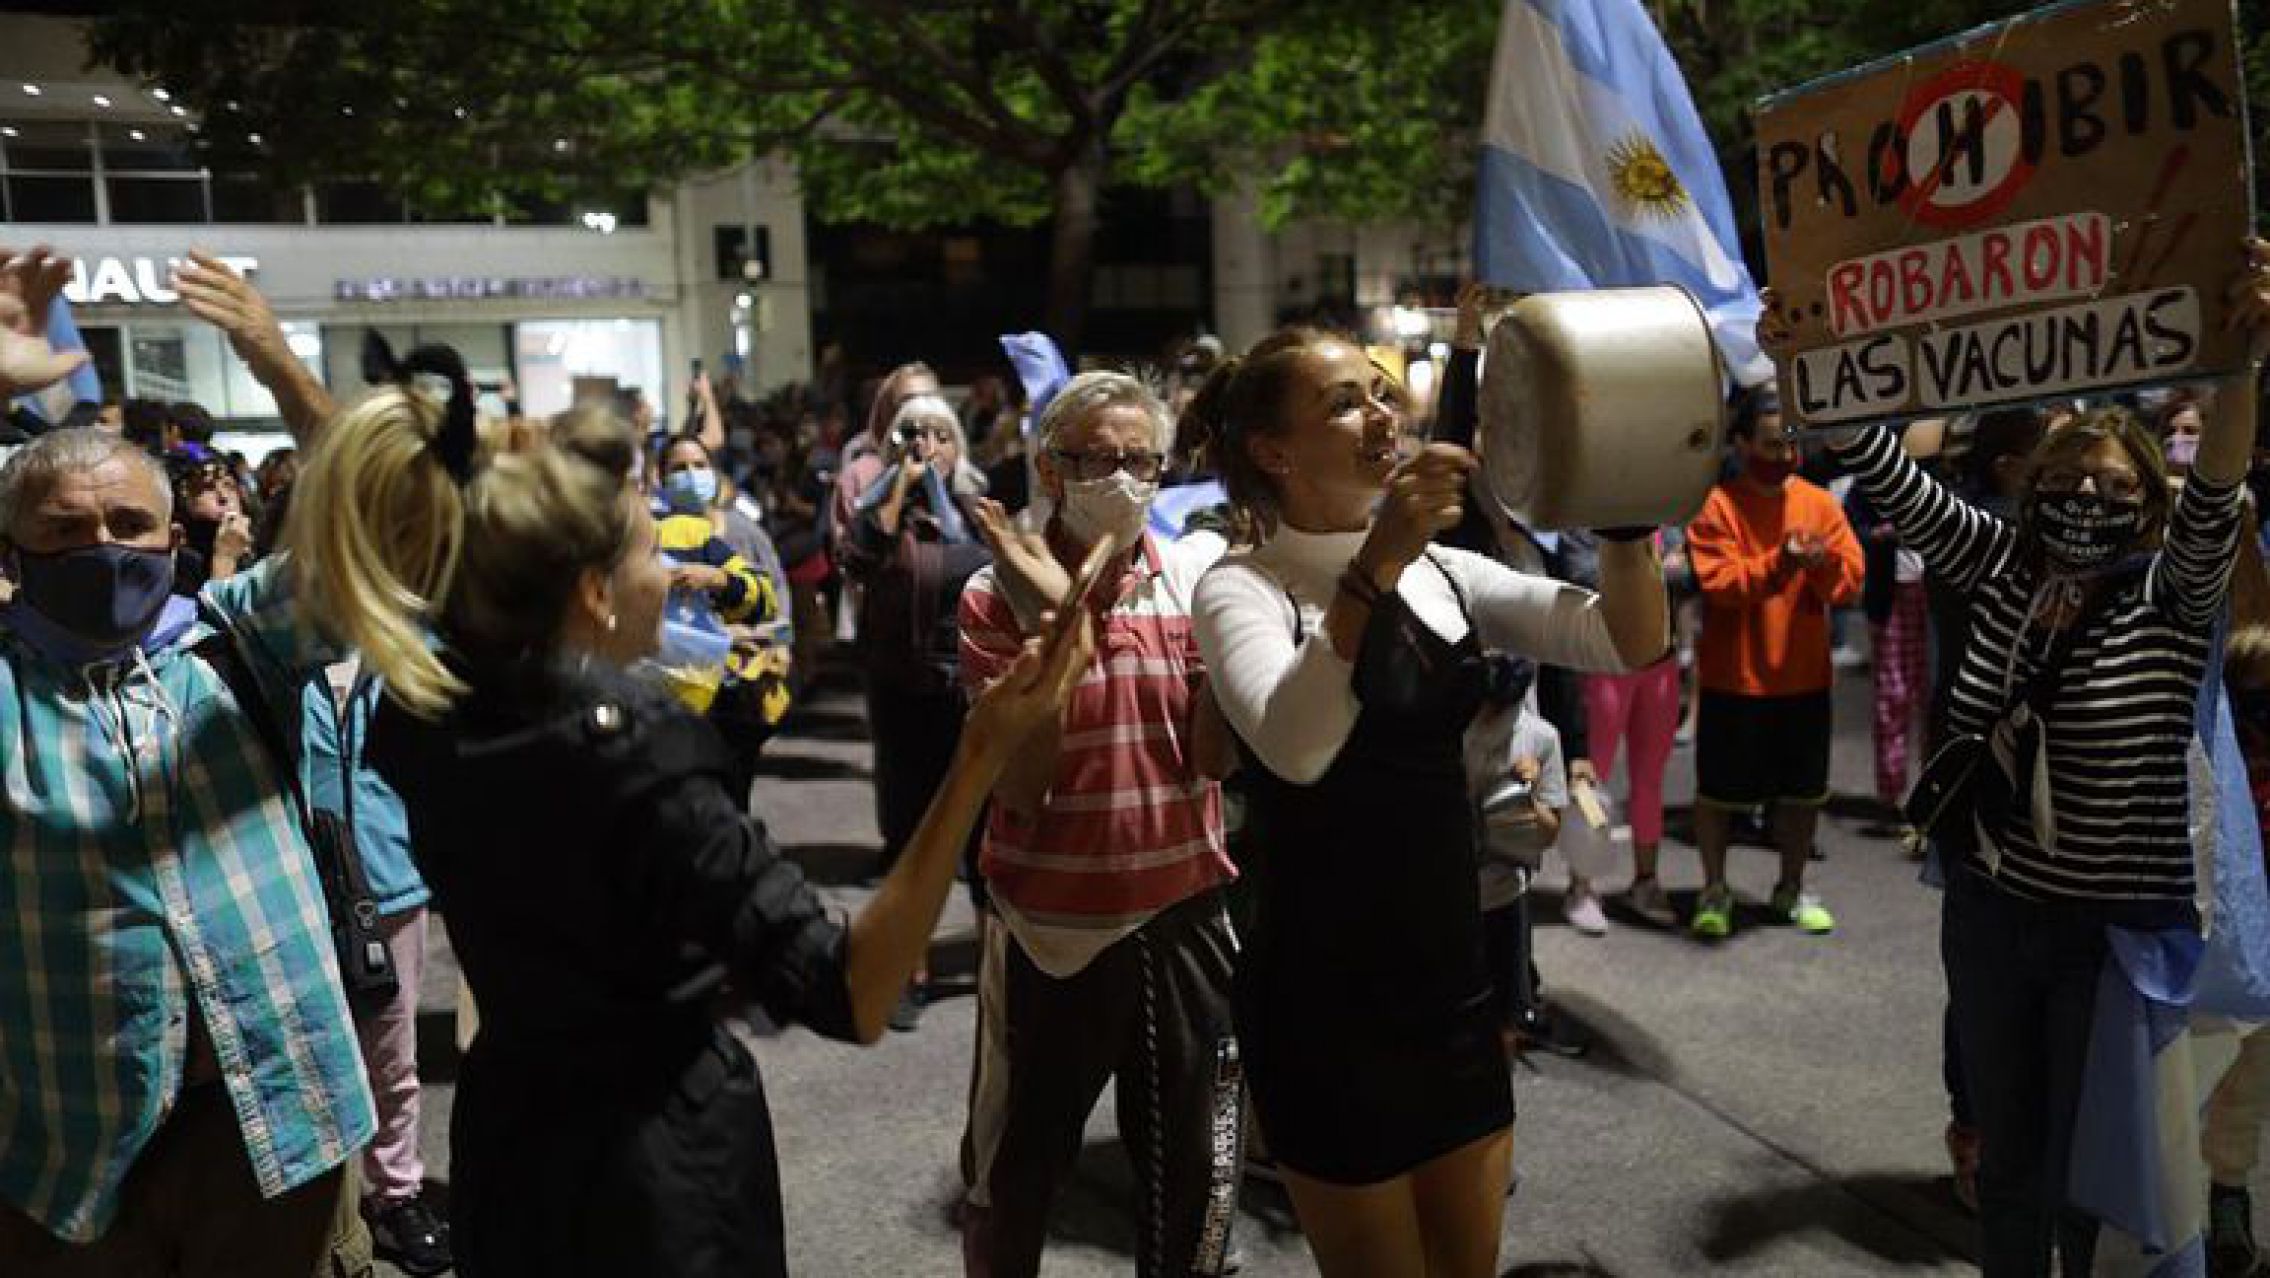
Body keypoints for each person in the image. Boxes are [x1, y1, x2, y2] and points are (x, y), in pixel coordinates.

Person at [293, 373, 1090, 1278]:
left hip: (510, 1137)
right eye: (648, 557)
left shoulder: (429, 708)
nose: (670, 574)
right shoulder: (638, 751)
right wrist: (979, 753)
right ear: (592, 593)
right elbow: (854, 992)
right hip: (652, 1171)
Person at [1773, 239, 2270, 1277]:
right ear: (2029, 493)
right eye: (2064, 483)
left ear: (2144, 507)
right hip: (1993, 912)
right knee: (2008, 1162)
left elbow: (2217, 485)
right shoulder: (1998, 561)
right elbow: (1887, 476)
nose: (2083, 501)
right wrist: (1808, 355)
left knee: (2092, 1172)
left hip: (2109, 938)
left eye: (2109, 488)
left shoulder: (2167, 597)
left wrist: (2241, 360)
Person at [1185, 327, 1665, 1276]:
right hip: (1326, 1002)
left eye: (1381, 391)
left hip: (1451, 984)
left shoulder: (1449, 572)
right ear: (1273, 452)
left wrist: (1624, 518)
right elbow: (1298, 747)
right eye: (1345, 401)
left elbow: (1623, 638)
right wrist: (1376, 567)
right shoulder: (1242, 587)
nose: (1382, 412)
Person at [0, 247, 378, 1277]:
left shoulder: (237, 642)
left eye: (130, 525)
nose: (103, 547)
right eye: (65, 531)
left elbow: (379, 515)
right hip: (67, 1151)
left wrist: (274, 360)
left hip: (277, 1127)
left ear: (176, 537)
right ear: (14, 552)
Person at [956, 370, 1241, 1278]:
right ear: (1050, 467)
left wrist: (1245, 638)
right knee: (1020, 1167)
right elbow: (1023, 786)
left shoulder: (1191, 579)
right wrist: (1063, 627)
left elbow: (1213, 760)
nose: (1125, 479)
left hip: (1183, 912)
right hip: (1052, 926)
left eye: (1142, 460)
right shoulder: (993, 595)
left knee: (1190, 1168)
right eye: (1102, 460)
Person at [1685, 386, 1864, 939]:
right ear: (1739, 444)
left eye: (1792, 441)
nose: (1784, 453)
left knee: (1802, 794)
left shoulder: (1819, 502)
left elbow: (1850, 582)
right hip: (1733, 678)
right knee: (1718, 792)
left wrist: (1820, 561)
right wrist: (1779, 565)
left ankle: (1791, 887)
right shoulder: (1715, 504)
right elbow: (1719, 585)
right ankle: (1714, 889)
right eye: (1770, 442)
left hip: (1804, 677)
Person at [839, 394, 992, 1028]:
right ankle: (910, 969)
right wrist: (898, 486)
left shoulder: (979, 512)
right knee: (912, 835)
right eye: (911, 434)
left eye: (939, 433)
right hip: (904, 692)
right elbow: (863, 559)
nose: (926, 445)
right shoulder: (881, 511)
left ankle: (995, 965)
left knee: (985, 836)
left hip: (971, 692)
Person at [304, 662, 452, 1277]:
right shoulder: (267, 649)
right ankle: (320, 1210)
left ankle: (394, 1195)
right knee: (312, 1058)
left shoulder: (408, 654)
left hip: (391, 885)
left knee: (392, 1058)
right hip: (305, 887)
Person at [1467, 653, 1568, 1038]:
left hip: (1503, 894)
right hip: (1443, 890)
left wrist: (1525, 795)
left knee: (1503, 1017)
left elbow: (1549, 832)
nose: (1488, 719)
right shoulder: (1447, 725)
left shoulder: (1539, 739)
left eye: (1498, 711)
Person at [830, 361, 940, 557]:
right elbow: (849, 552)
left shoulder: (955, 466)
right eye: (908, 401)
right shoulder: (860, 473)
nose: (920, 409)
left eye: (929, 399)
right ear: (887, 410)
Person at [167, 443, 255, 595]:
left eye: (229, 485)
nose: (223, 497)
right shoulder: (174, 560)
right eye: (207, 487)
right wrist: (225, 558)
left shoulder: (257, 550)